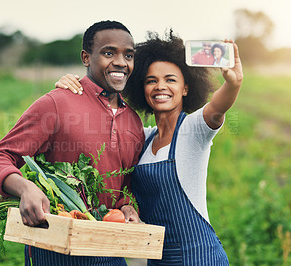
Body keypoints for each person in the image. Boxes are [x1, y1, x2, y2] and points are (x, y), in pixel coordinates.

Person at [55, 30, 243, 265]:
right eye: (151, 81)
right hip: (157, 258)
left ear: (186, 88)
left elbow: (217, 108)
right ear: (142, 90)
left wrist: (233, 84)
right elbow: (95, 125)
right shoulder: (140, 138)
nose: (160, 86)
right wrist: (74, 89)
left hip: (200, 256)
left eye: (170, 80)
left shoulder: (194, 129)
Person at [0, 20, 145, 266]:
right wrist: (26, 188)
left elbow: (125, 188)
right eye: (108, 53)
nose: (121, 62)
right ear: (86, 58)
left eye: (129, 55)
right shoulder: (57, 103)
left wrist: (128, 208)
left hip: (110, 252)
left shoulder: (133, 121)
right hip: (55, 250)